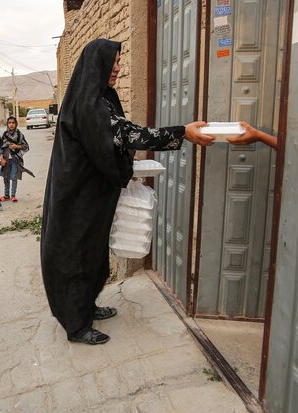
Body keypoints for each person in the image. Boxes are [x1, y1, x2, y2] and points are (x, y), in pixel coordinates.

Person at [40, 39, 215, 345]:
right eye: (113, 62)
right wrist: (181, 132)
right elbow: (126, 134)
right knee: (75, 254)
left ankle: (87, 307)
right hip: (77, 197)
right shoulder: (88, 104)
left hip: (93, 195)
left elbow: (117, 137)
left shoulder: (101, 97)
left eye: (120, 61)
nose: (118, 68)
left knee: (93, 252)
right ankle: (76, 325)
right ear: (98, 65)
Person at [0, 116, 34, 202]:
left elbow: (26, 146)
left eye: (13, 123)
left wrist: (17, 146)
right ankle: (6, 195)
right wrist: (1, 159)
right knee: (6, 177)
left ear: (16, 124)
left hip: (16, 159)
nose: (11, 124)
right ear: (7, 124)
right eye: (9, 123)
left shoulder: (20, 134)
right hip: (6, 159)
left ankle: (13, 195)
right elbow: (1, 147)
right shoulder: (4, 135)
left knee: (14, 176)